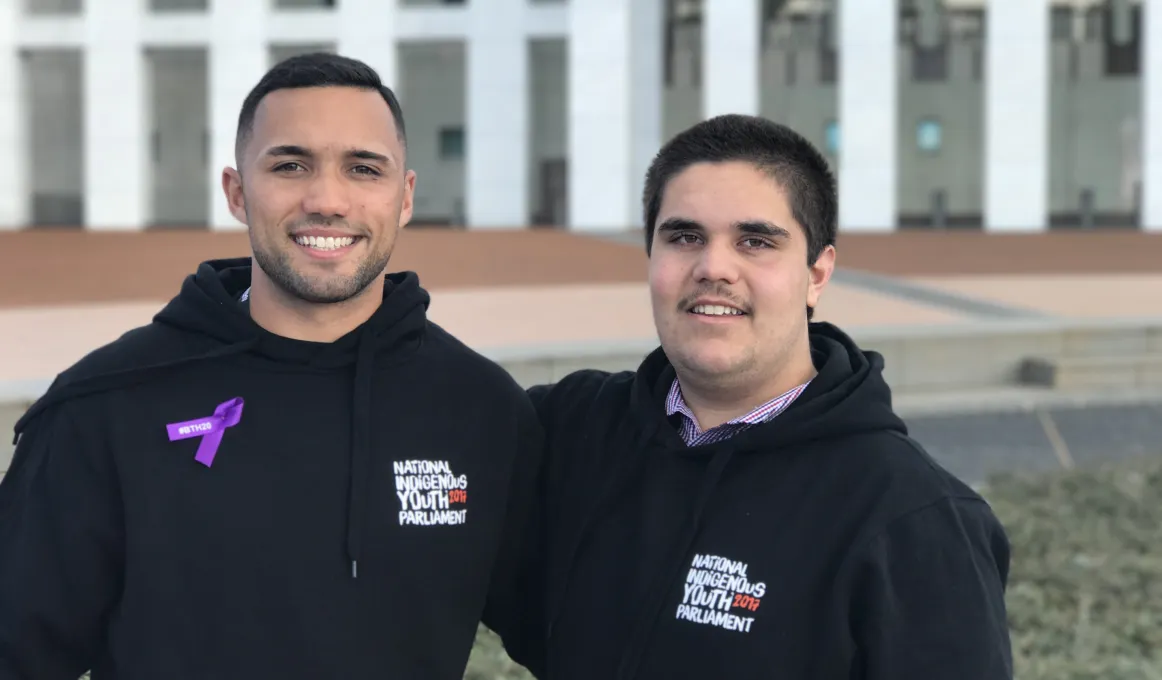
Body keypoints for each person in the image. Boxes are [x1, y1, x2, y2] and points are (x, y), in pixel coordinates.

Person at [0, 53, 544, 680]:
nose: (327, 200)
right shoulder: (106, 405)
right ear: (237, 192)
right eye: (290, 165)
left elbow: (575, 629)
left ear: (405, 197)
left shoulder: (480, 409)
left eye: (364, 169)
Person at [526, 114, 1013, 679]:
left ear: (817, 274)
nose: (713, 267)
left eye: (755, 242)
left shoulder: (913, 518)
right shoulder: (570, 431)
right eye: (684, 237)